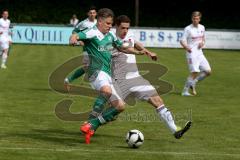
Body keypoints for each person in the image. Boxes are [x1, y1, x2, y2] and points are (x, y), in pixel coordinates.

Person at [69, 8, 146, 144]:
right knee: (106, 90)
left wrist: (139, 52)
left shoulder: (110, 36)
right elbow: (75, 35)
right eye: (108, 24)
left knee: (120, 106)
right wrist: (73, 40)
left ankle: (92, 124)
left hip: (106, 73)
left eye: (111, 24)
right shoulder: (91, 32)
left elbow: (123, 47)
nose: (111, 26)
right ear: (100, 21)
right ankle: (91, 122)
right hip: (95, 71)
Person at [180, 11, 211, 96]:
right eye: (194, 18)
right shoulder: (188, 29)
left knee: (208, 71)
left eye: (197, 18)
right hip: (192, 54)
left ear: (199, 19)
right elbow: (182, 41)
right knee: (194, 72)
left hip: (200, 53)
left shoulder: (202, 27)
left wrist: (202, 43)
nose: (195, 20)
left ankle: (194, 82)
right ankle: (185, 91)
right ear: (191, 19)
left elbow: (203, 38)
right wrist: (187, 47)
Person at [64, 6, 97, 86]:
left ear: (96, 13)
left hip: (97, 48)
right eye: (90, 13)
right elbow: (75, 31)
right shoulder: (83, 23)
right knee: (87, 67)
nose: (92, 14)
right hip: (87, 48)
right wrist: (80, 40)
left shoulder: (99, 22)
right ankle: (69, 79)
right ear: (88, 14)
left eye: (93, 13)